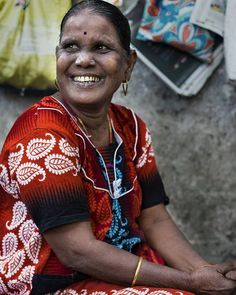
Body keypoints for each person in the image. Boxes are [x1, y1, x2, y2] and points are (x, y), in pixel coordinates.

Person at [0, 1, 236, 294]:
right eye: (70, 47)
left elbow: (154, 217)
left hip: (121, 274)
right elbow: (77, 252)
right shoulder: (41, 136)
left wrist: (202, 272)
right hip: (50, 285)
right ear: (57, 57)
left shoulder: (131, 127)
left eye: (101, 48)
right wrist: (189, 282)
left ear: (128, 65)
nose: (83, 60)